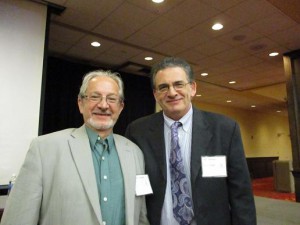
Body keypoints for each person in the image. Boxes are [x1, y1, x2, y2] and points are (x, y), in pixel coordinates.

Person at [1, 70, 149, 225]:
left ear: (120, 107)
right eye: (95, 97)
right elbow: (18, 218)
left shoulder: (134, 153)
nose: (104, 105)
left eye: (111, 99)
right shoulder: (44, 149)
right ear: (80, 103)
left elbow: (140, 216)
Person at [125, 57, 256, 225]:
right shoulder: (138, 132)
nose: (172, 92)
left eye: (179, 84)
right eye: (163, 87)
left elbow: (241, 194)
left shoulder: (224, 129)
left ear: (193, 88)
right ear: (155, 94)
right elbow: (134, 186)